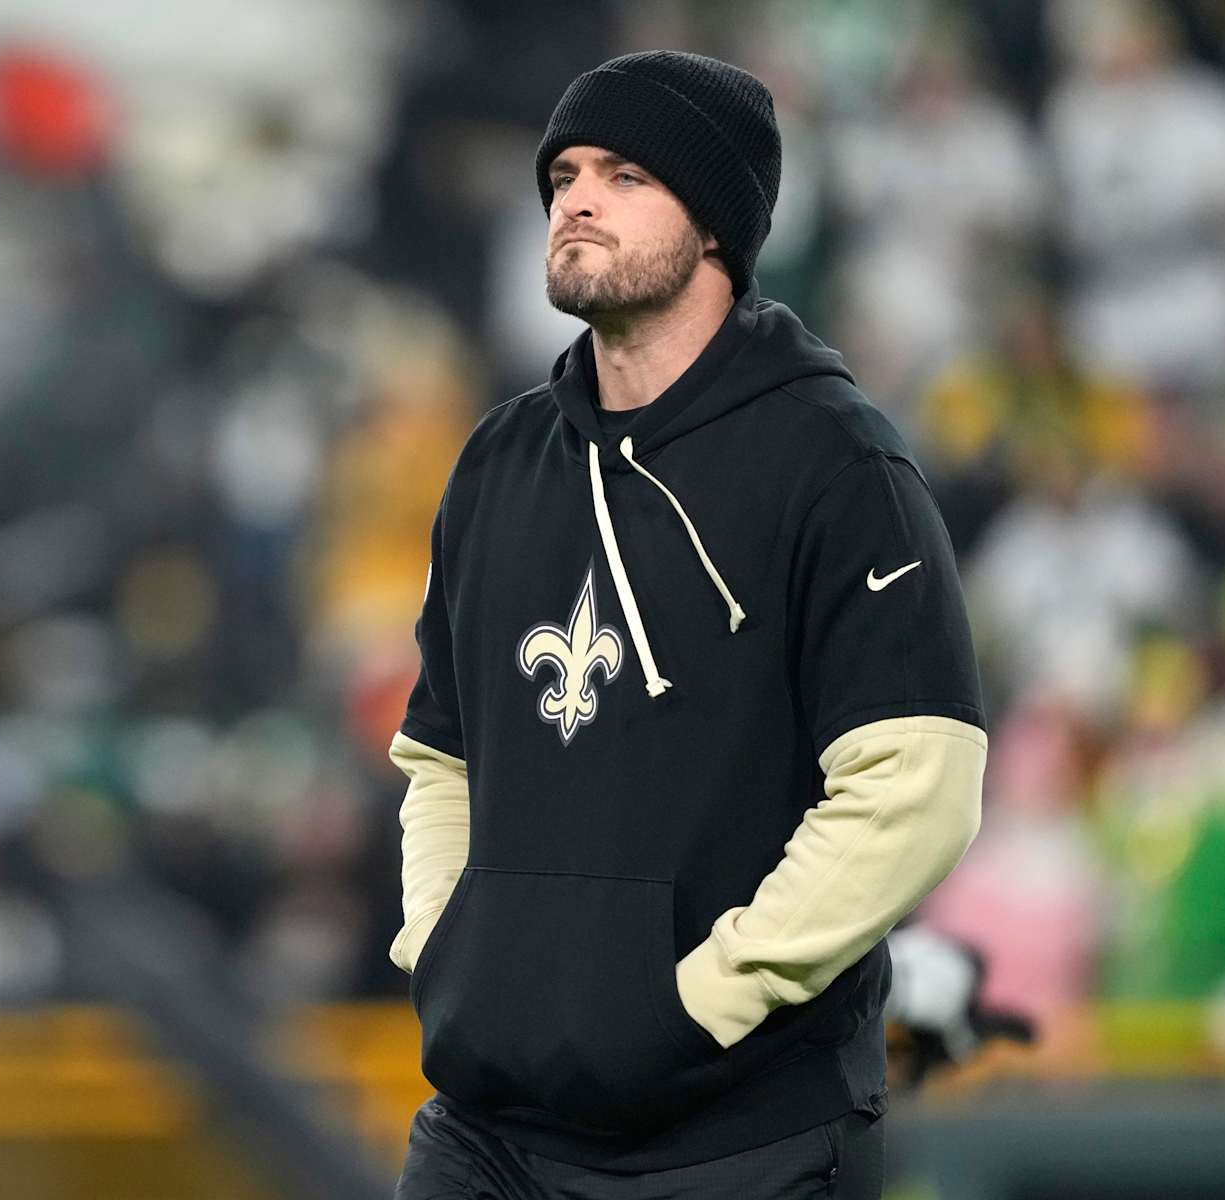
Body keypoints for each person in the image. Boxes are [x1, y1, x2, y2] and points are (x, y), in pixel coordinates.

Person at [387, 51, 988, 1199]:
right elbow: (441, 756)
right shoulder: (498, 460)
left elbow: (918, 783)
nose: (575, 198)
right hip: (489, 1125)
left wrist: (711, 994)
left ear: (714, 223)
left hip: (733, 1138)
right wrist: (450, 953)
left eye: (623, 174)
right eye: (563, 172)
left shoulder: (834, 459)